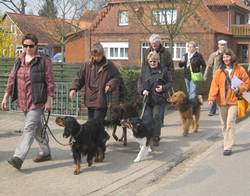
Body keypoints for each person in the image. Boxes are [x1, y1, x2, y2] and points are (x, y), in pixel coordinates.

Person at [0, 33, 55, 170]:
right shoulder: (19, 60)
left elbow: (50, 82)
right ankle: (46, 152)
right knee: (37, 128)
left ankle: (18, 157)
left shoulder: (43, 61)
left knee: (29, 128)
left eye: (31, 46)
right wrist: (5, 97)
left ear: (36, 46)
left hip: (37, 101)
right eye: (25, 46)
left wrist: (49, 100)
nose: (28, 48)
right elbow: (11, 79)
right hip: (23, 101)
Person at [208, 49, 249, 156]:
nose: (226, 59)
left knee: (230, 122)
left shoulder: (239, 69)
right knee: (224, 124)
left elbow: (246, 82)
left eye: (227, 56)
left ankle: (227, 146)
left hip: (234, 100)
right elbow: (214, 86)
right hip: (221, 101)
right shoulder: (219, 71)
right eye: (224, 57)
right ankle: (228, 139)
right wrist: (211, 98)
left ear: (232, 57)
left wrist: (240, 89)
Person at [69, 43, 120, 122]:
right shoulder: (86, 65)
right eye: (94, 56)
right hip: (90, 99)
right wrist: (74, 89)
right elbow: (79, 78)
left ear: (102, 54)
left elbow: (116, 77)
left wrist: (110, 84)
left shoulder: (109, 65)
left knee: (97, 124)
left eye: (99, 55)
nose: (97, 58)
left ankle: (100, 134)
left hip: (101, 100)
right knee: (91, 125)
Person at [138, 51, 173, 146]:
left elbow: (170, 83)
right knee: (147, 119)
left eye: (154, 61)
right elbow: (140, 82)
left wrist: (163, 88)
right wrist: (142, 91)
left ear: (158, 61)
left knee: (156, 117)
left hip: (159, 99)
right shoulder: (144, 70)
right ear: (148, 61)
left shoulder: (164, 70)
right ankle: (148, 137)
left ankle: (156, 137)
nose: (153, 63)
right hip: (148, 99)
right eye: (151, 61)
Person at [142, 34, 174, 125]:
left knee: (161, 100)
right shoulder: (147, 51)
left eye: (155, 43)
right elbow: (144, 65)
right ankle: (155, 120)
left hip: (162, 79)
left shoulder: (165, 52)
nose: (153, 45)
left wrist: (169, 78)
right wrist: (143, 75)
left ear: (159, 42)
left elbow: (170, 66)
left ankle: (160, 120)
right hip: (150, 78)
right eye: (152, 43)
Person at [204, 40, 228, 116]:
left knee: (226, 92)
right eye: (221, 45)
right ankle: (212, 110)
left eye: (224, 45)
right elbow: (209, 65)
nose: (223, 46)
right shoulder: (214, 55)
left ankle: (226, 108)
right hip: (216, 77)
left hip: (226, 77)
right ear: (218, 45)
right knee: (214, 92)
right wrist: (205, 75)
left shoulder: (229, 54)